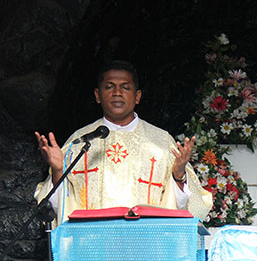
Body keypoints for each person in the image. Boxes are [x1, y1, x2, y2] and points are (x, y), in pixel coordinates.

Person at [34, 60, 212, 224]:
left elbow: (186, 208)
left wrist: (178, 176)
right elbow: (56, 208)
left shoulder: (162, 142)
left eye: (125, 87)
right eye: (109, 87)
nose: (117, 93)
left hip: (146, 245)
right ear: (97, 95)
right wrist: (58, 171)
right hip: (93, 248)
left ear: (137, 96)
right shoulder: (80, 142)